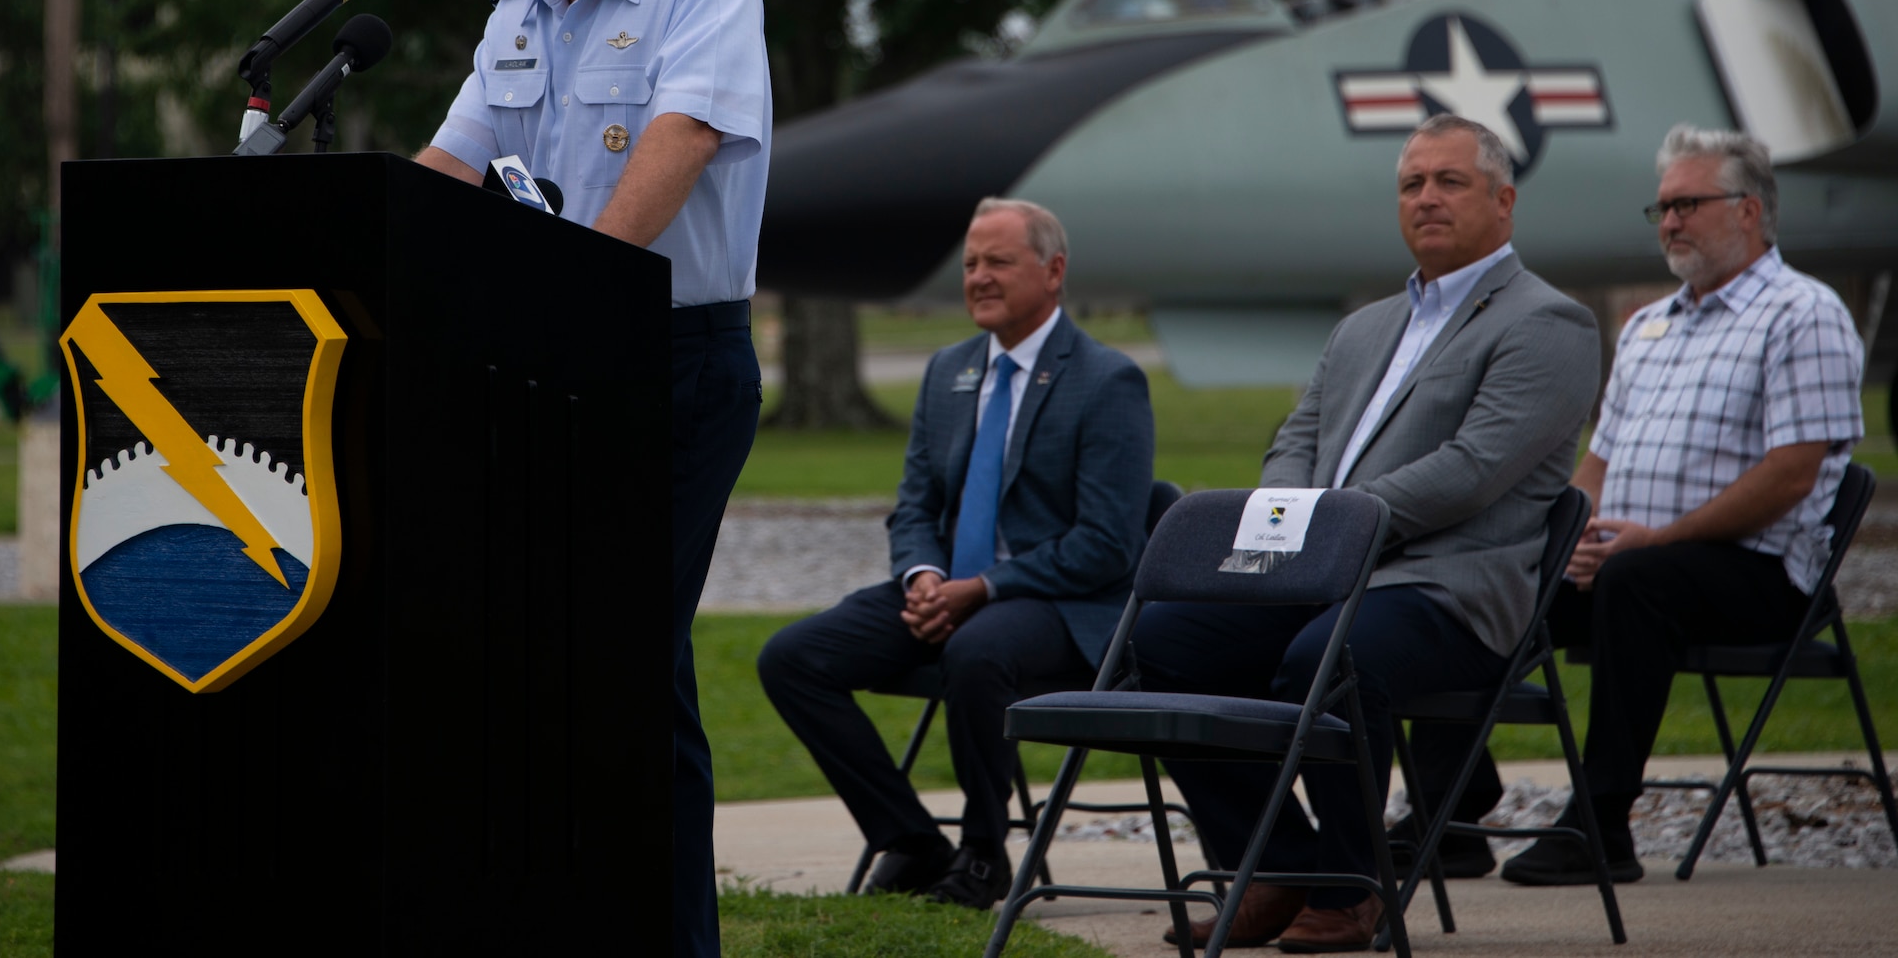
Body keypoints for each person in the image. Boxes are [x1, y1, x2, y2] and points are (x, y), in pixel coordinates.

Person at [412, 0, 771, 958]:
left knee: (609, 654)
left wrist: (569, 301)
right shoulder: (516, 14)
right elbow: (445, 170)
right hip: (543, 376)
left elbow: (674, 148)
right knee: (583, 667)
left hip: (669, 366)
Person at [1135, 113, 1600, 953]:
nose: (1427, 197)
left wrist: (1333, 533)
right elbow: (1295, 442)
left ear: (1504, 200)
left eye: (1449, 181)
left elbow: (1472, 468)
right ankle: (1272, 863)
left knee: (1331, 657)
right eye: (1412, 183)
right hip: (1324, 571)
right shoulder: (1364, 325)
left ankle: (1352, 885)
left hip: (1451, 588)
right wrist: (1289, 535)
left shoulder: (1547, 322)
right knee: (1164, 641)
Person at [758, 198, 1154, 908]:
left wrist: (985, 589)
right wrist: (925, 576)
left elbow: (1107, 545)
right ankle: (911, 842)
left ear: (1054, 271)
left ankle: (982, 853)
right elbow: (913, 506)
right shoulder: (948, 371)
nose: (979, 277)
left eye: (999, 261)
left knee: (978, 654)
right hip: (949, 591)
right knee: (793, 659)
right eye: (971, 263)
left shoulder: (1106, 380)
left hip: (1061, 604)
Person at [1500, 125, 1864, 886]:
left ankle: (1600, 825)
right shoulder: (1648, 326)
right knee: (1500, 578)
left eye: (1687, 204)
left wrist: (1652, 543)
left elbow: (1792, 475)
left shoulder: (1805, 314)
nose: (1668, 222)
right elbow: (1599, 459)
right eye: (1661, 207)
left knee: (1638, 586)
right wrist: (1575, 537)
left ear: (1749, 212)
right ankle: (1450, 806)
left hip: (1762, 574)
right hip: (1639, 557)